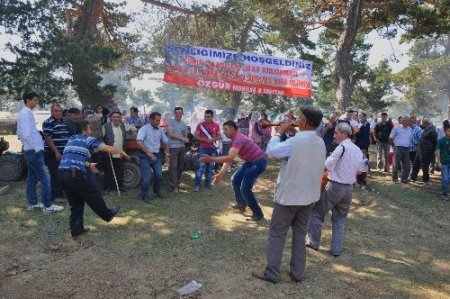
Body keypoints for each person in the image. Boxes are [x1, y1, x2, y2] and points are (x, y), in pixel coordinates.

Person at [251, 107, 325, 284]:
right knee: (299, 235)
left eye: (299, 117)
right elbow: (302, 147)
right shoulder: (320, 141)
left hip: (289, 197)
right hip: (309, 197)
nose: (296, 119)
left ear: (305, 122)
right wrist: (293, 131)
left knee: (277, 234)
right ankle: (298, 273)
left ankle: (272, 273)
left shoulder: (295, 142)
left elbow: (272, 151)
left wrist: (278, 132)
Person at [59, 120, 128, 237]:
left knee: (76, 204)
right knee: (93, 193)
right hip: (75, 174)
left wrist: (89, 165)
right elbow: (107, 148)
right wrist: (121, 152)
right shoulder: (87, 139)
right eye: (90, 128)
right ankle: (107, 214)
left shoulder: (72, 139)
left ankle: (77, 230)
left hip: (62, 174)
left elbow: (73, 158)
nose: (91, 131)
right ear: (84, 130)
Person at [307, 122, 363, 257]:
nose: (334, 135)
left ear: (343, 134)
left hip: (334, 186)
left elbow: (326, 165)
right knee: (340, 219)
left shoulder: (341, 148)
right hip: (349, 189)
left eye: (336, 132)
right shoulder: (357, 149)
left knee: (316, 213)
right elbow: (360, 171)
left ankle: (313, 242)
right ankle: (336, 249)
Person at [199, 120, 267, 221]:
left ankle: (258, 213)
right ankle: (241, 204)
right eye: (223, 130)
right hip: (250, 162)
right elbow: (228, 159)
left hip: (258, 163)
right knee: (235, 179)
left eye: (226, 129)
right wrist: (220, 174)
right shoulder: (235, 139)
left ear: (233, 129)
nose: (224, 132)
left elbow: (229, 158)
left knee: (245, 188)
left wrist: (210, 159)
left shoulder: (238, 139)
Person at [17, 91, 64, 213]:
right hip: (33, 150)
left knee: (32, 177)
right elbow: (26, 134)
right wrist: (36, 147)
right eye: (35, 100)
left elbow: (19, 133)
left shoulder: (24, 113)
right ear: (28, 100)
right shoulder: (26, 113)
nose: (37, 102)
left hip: (30, 149)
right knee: (45, 177)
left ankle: (33, 203)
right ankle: (48, 206)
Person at [136, 112, 170, 202]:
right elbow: (139, 142)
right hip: (145, 156)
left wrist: (167, 155)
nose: (159, 122)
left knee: (159, 175)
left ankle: (157, 190)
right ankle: (144, 195)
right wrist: (148, 153)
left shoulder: (160, 130)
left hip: (157, 155)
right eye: (157, 120)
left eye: (159, 120)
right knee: (147, 178)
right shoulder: (144, 129)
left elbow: (166, 142)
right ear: (151, 120)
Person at [102, 110, 136, 193]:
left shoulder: (124, 125)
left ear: (120, 118)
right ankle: (108, 188)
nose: (116, 118)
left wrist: (134, 132)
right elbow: (101, 138)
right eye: (114, 117)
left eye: (117, 117)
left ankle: (120, 186)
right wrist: (105, 147)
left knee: (120, 170)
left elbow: (132, 127)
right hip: (109, 153)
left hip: (120, 153)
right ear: (111, 118)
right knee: (108, 171)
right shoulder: (106, 126)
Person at [42, 104, 70, 203]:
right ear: (52, 112)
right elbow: (48, 138)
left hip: (64, 152)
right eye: (56, 111)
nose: (58, 113)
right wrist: (56, 152)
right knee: (56, 174)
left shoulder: (64, 122)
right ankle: (56, 195)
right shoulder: (48, 122)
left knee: (63, 174)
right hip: (52, 153)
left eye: (60, 111)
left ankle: (62, 192)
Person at [193, 109, 221, 191]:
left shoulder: (216, 125)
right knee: (201, 167)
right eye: (205, 116)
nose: (206, 118)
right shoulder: (200, 125)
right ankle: (197, 185)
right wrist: (204, 140)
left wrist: (213, 139)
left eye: (208, 117)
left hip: (212, 149)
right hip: (203, 148)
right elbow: (195, 135)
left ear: (212, 117)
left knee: (210, 167)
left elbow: (219, 136)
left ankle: (208, 183)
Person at [166, 107, 189, 193]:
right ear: (174, 114)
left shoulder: (184, 124)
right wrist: (183, 138)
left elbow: (186, 135)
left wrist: (186, 138)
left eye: (180, 113)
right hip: (172, 148)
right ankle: (173, 186)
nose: (178, 114)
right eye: (176, 113)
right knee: (173, 167)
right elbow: (171, 134)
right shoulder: (170, 122)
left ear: (182, 114)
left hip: (182, 148)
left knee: (180, 167)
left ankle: (177, 183)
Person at [411, 119, 437, 184]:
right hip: (420, 150)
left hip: (427, 151)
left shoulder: (432, 130)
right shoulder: (425, 128)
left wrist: (432, 150)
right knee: (415, 164)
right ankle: (413, 178)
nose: (422, 124)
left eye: (423, 123)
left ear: (426, 123)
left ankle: (425, 180)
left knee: (424, 166)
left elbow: (435, 142)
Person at [390, 116, 413, 183]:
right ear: (401, 121)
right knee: (396, 164)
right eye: (403, 121)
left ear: (408, 122)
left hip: (407, 148)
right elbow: (391, 138)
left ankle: (404, 179)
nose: (404, 122)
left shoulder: (410, 129)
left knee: (406, 165)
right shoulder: (396, 128)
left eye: (406, 121)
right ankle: (395, 178)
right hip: (398, 147)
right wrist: (393, 146)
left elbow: (410, 139)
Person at [436, 125, 450, 201]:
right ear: (445, 132)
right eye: (449, 131)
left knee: (448, 179)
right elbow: (438, 151)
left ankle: (445, 191)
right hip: (444, 163)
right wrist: (438, 162)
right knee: (445, 179)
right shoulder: (441, 140)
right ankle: (443, 193)